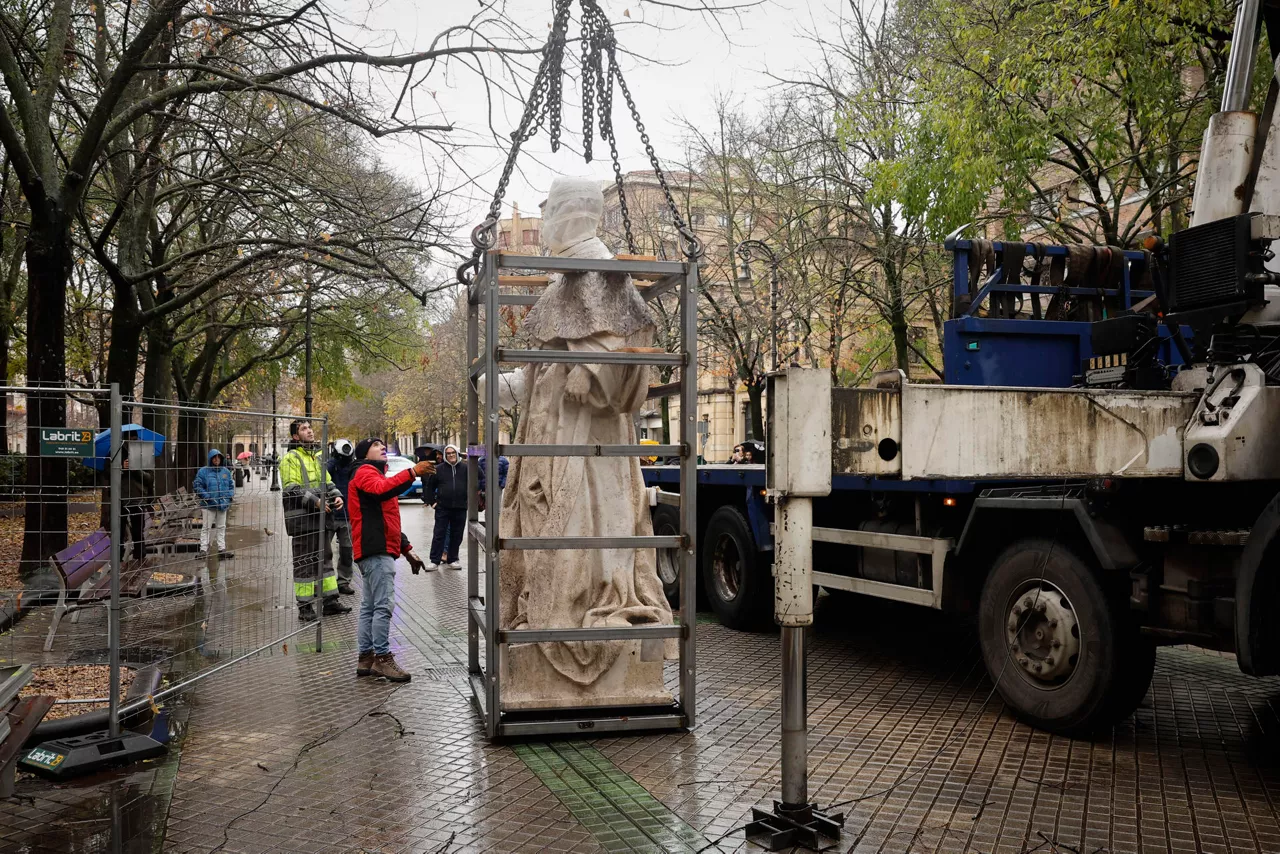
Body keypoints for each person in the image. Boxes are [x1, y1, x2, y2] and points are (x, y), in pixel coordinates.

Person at [348, 437, 431, 681]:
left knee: (370, 606)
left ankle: (366, 658)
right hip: (375, 549)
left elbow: (389, 521)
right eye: (377, 445)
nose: (382, 447)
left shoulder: (374, 475)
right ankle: (382, 659)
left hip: (374, 548)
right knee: (383, 605)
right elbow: (382, 490)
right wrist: (412, 471)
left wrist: (406, 549)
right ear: (365, 453)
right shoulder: (365, 472)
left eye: (383, 445)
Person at [280, 419, 351, 622]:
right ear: (295, 436)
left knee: (325, 559)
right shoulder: (290, 458)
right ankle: (305, 607)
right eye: (304, 429)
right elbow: (291, 488)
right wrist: (316, 501)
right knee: (304, 563)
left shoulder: (317, 457)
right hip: (303, 521)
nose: (310, 431)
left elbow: (327, 481)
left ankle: (329, 601)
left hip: (321, 519)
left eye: (310, 427)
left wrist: (337, 495)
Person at [426, 444, 467, 569]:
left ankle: (452, 559)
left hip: (460, 507)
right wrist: (433, 502)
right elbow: (429, 487)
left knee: (457, 534)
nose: (451, 455)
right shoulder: (438, 469)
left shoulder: (466, 468)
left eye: (453, 453)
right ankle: (434, 560)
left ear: (457, 453)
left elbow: (480, 478)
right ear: (445, 455)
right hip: (443, 507)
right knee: (439, 533)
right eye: (448, 453)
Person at [326, 439, 357, 595]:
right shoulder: (330, 466)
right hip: (329, 515)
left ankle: (343, 582)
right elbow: (323, 478)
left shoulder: (353, 467)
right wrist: (333, 462)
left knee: (346, 551)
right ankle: (326, 583)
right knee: (325, 552)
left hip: (347, 516)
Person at [193, 449, 235, 557]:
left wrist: (229, 497)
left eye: (219, 457)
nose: (217, 460)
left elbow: (231, 485)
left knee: (221, 527)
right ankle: (203, 550)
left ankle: (222, 549)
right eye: (214, 457)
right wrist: (207, 496)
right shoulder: (203, 471)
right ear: (211, 459)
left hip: (222, 504)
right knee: (206, 527)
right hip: (208, 505)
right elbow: (197, 485)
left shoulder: (225, 472)